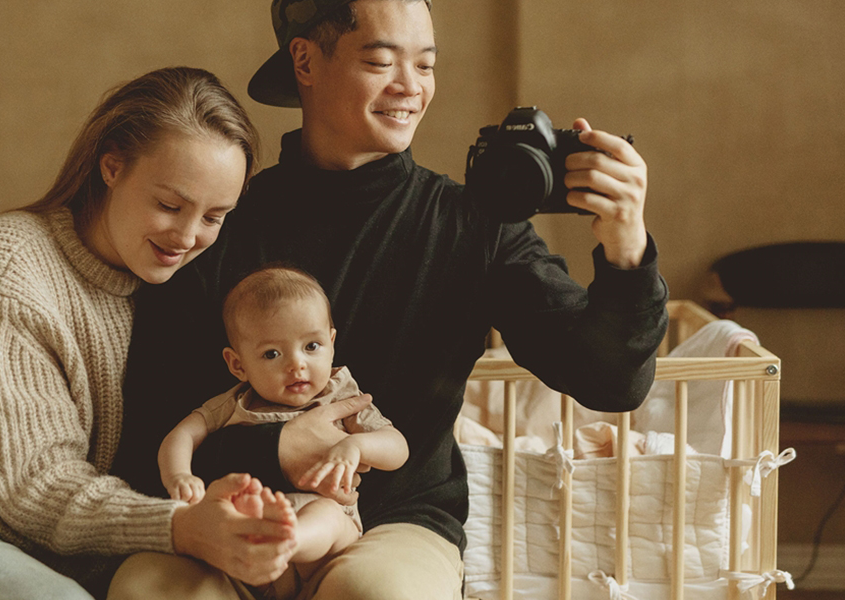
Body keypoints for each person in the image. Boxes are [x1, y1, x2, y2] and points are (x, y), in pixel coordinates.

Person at [108, 1, 669, 599]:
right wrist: (274, 452)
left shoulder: (472, 224)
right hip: (235, 509)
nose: (410, 87)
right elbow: (150, 435)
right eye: (381, 62)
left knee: (375, 593)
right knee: (151, 588)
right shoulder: (220, 223)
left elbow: (613, 383)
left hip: (397, 524)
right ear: (305, 61)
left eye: (425, 66)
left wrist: (626, 248)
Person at [0, 66, 292, 600]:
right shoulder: (7, 264)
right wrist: (181, 525)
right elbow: (37, 482)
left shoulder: (186, 286)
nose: (187, 236)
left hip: (47, 548)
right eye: (169, 205)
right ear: (112, 167)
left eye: (214, 217)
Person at [158, 267, 408, 593]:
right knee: (229, 516)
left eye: (312, 346)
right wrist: (178, 475)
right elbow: (182, 435)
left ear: (331, 343)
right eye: (272, 354)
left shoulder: (340, 394)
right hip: (250, 543)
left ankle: (289, 539)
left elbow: (398, 447)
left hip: (323, 542)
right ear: (238, 364)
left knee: (327, 514)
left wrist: (356, 446)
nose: (296, 364)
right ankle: (267, 539)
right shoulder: (235, 402)